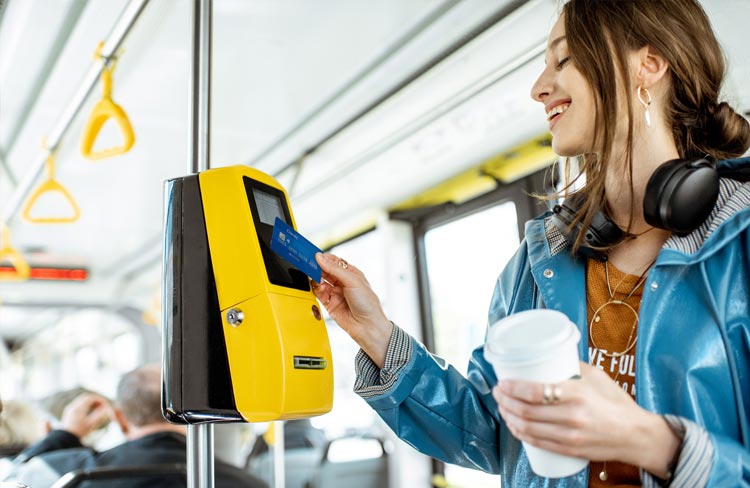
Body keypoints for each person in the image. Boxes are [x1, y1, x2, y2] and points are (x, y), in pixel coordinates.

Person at [310, 0, 750, 486]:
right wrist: (376, 333)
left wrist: (653, 443)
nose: (539, 88)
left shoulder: (740, 241)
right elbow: (491, 431)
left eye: (564, 60)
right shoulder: (541, 258)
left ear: (648, 64)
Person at [7, 364, 267, 488]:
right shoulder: (246, 482)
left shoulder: (68, 473)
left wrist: (66, 435)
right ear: (193, 413)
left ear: (119, 417)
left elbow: (12, 478)